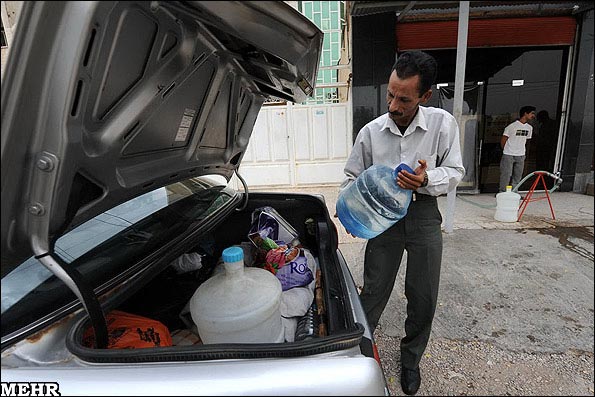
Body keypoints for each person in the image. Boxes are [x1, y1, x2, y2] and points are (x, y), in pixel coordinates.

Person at [339, 51, 465, 395]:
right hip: (382, 221)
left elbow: (455, 172)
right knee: (374, 292)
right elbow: (351, 177)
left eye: (404, 99)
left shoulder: (442, 124)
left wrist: (425, 180)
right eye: (390, 95)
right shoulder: (371, 132)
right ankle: (359, 354)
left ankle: (410, 360)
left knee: (423, 296)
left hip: (424, 216)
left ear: (425, 96)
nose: (393, 105)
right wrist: (351, 210)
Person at [499, 106, 536, 192]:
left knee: (518, 175)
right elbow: (503, 140)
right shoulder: (512, 126)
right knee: (506, 174)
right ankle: (502, 192)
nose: (533, 116)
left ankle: (515, 192)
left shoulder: (529, 128)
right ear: (525, 113)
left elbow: (527, 141)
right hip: (509, 154)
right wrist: (506, 150)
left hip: (521, 154)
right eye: (531, 113)